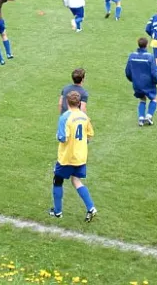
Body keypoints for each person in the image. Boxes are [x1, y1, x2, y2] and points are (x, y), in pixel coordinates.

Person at [50, 91, 96, 222]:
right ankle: (91, 207)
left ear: (66, 102)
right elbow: (89, 134)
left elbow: (63, 138)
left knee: (57, 180)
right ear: (80, 103)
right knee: (76, 180)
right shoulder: (84, 116)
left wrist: (58, 136)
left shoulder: (65, 117)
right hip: (81, 156)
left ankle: (57, 212)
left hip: (67, 157)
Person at [125, 37, 157, 126]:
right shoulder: (150, 57)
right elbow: (153, 72)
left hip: (137, 83)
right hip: (148, 83)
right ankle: (149, 116)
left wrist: (132, 80)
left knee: (142, 99)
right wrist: (156, 81)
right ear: (147, 45)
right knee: (154, 98)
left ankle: (141, 118)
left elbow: (127, 71)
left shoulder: (132, 56)